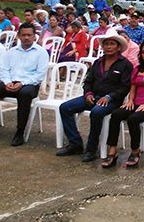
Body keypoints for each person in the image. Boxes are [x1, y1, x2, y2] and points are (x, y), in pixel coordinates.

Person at [56, 32, 132, 162]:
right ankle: (75, 143)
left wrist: (109, 97)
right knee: (65, 107)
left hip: (112, 100)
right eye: (106, 44)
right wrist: (88, 94)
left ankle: (91, 149)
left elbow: (125, 87)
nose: (108, 47)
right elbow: (88, 81)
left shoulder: (125, 64)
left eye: (112, 44)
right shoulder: (98, 62)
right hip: (93, 96)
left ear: (118, 47)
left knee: (96, 113)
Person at [0, 23, 49, 146]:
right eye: (23, 35)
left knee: (24, 95)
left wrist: (22, 83)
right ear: (19, 36)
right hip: (10, 82)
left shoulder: (41, 52)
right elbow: (4, 70)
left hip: (29, 84)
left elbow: (39, 75)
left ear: (34, 36)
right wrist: (7, 82)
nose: (26, 38)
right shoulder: (12, 51)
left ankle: (19, 132)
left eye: (29, 35)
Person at [102, 40, 144, 168]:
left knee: (133, 118)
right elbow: (133, 88)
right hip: (137, 103)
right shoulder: (137, 69)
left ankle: (135, 151)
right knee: (116, 114)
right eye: (143, 52)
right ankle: (112, 151)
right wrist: (130, 100)